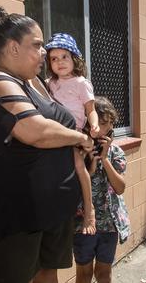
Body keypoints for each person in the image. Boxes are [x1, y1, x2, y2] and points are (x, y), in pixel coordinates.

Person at [0, 6, 94, 283]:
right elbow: (34, 130)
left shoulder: (34, 82)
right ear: (13, 48)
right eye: (37, 45)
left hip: (53, 210)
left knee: (48, 274)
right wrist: (80, 138)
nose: (44, 52)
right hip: (21, 214)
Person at [45, 32, 99, 235]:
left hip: (74, 132)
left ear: (74, 58)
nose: (59, 62)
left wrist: (93, 126)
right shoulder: (48, 83)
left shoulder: (81, 83)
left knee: (78, 165)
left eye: (64, 57)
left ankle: (89, 209)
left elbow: (90, 109)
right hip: (52, 132)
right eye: (54, 58)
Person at [73, 96, 130, 283]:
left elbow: (120, 188)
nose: (105, 129)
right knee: (84, 273)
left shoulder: (115, 153)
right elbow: (72, 189)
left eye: (110, 124)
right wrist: (87, 170)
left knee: (104, 272)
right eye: (102, 123)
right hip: (83, 223)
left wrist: (105, 160)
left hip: (109, 222)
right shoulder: (76, 152)